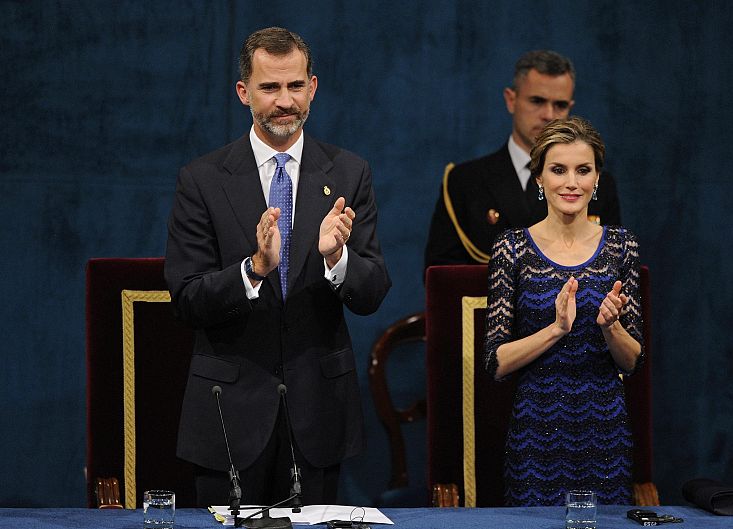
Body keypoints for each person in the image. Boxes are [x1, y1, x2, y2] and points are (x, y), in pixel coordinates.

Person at [164, 27, 391, 507]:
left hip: (318, 416)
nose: (284, 101)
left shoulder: (350, 173)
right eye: (270, 88)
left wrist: (337, 258)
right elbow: (186, 298)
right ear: (244, 93)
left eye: (294, 86)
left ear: (312, 86)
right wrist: (252, 270)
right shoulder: (201, 180)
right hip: (228, 417)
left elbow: (372, 293)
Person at [483, 117, 643, 506]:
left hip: (604, 432)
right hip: (535, 434)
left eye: (583, 170)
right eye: (558, 170)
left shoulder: (622, 246)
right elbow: (497, 362)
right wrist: (556, 329)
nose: (571, 182)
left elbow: (632, 360)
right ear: (538, 178)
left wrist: (610, 327)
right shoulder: (512, 248)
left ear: (597, 178)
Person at [424, 50, 621, 271]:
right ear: (511, 100)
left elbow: (611, 271)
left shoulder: (598, 185)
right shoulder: (464, 181)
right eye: (537, 101)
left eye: (560, 105)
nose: (548, 115)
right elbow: (441, 276)